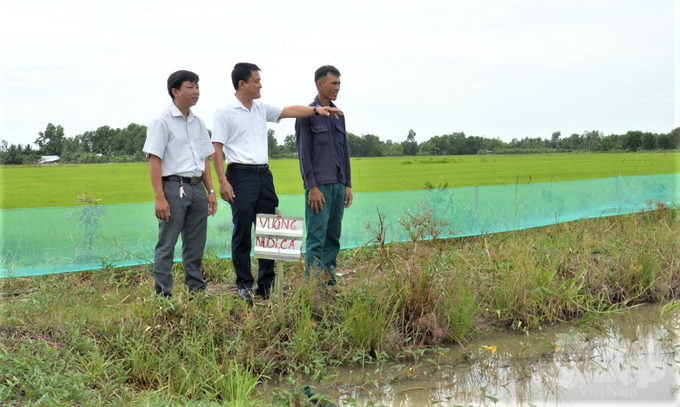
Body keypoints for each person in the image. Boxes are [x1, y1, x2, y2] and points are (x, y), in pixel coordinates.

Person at [211, 62, 341, 302]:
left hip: (264, 175)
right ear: (242, 84)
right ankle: (244, 284)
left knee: (268, 229)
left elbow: (290, 110)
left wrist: (316, 111)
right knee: (242, 232)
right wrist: (222, 181)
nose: (261, 85)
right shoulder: (225, 112)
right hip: (239, 175)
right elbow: (216, 148)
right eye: (257, 81)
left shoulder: (261, 108)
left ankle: (266, 284)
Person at [142, 70, 217, 298]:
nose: (196, 92)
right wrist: (159, 196)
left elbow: (204, 159)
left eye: (197, 87)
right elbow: (154, 160)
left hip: (196, 188)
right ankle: (163, 293)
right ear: (175, 91)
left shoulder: (198, 122)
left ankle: (196, 288)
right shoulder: (161, 122)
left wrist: (211, 191)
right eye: (190, 87)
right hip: (174, 187)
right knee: (168, 242)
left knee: (196, 242)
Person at [294, 65, 352, 286]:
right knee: (316, 238)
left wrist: (348, 184)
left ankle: (328, 285)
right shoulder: (307, 114)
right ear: (320, 84)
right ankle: (313, 288)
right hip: (319, 187)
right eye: (333, 83)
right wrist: (312, 187)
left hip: (338, 185)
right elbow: (304, 153)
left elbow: (344, 152)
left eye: (339, 84)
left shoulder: (338, 115)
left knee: (333, 237)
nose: (337, 88)